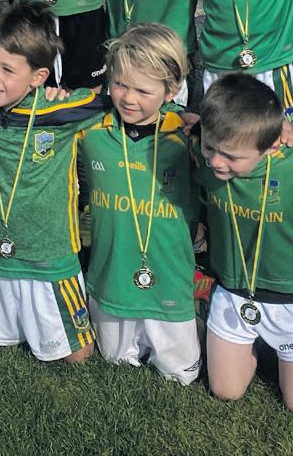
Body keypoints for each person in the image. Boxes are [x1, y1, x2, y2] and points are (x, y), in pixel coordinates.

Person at [0, 0, 108, 364]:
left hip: (49, 254)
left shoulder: (61, 109)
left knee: (77, 356)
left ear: (39, 77)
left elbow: (116, 102)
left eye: (7, 70)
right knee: (2, 339)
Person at [199, 74, 293, 415]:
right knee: (225, 391)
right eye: (210, 147)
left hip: (291, 296)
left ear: (271, 144)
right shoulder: (201, 151)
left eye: (230, 156)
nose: (215, 161)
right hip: (232, 291)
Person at [76, 24, 198, 384]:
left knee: (180, 375)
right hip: (110, 278)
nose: (128, 98)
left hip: (169, 278)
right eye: (119, 84)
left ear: (171, 90)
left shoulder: (190, 137)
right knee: (114, 362)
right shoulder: (90, 129)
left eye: (143, 91)